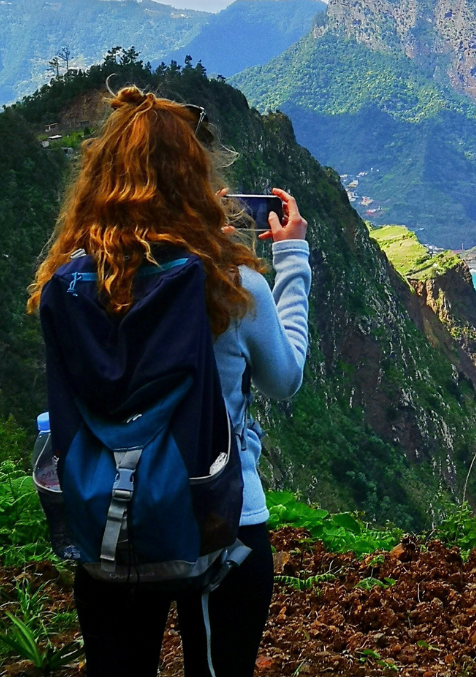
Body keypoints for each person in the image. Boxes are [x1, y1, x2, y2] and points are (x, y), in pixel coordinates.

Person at [26, 86, 311, 676]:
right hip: (221, 524)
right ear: (198, 180)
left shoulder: (68, 286)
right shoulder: (230, 284)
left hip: (110, 524)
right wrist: (292, 260)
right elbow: (285, 381)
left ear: (101, 180)